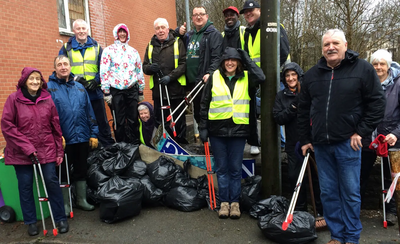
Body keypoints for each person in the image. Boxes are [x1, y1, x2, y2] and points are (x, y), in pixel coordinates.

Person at [298, 29, 385, 244]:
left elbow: (377, 102)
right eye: (326, 44)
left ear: (345, 45)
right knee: (328, 194)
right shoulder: (311, 75)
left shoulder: (362, 69)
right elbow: (302, 109)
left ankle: (352, 237)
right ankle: (337, 236)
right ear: (322, 49)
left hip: (349, 144)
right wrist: (306, 139)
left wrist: (362, 131)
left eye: (335, 43)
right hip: (321, 145)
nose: (331, 47)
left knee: (350, 194)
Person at [1, 67, 69, 235]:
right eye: (31, 79)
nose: (35, 82)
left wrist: (59, 151)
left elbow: (55, 126)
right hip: (21, 152)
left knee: (52, 182)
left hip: (46, 149)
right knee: (25, 186)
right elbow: (8, 127)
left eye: (38, 79)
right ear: (24, 80)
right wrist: (27, 148)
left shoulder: (47, 99)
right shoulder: (13, 99)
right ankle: (31, 221)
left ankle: (60, 218)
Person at [199, 47, 265, 219]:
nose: (230, 63)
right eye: (227, 60)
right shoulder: (214, 77)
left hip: (238, 131)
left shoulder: (246, 78)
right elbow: (204, 103)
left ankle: (234, 203)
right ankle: (224, 203)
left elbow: (262, 77)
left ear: (239, 62)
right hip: (217, 131)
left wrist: (247, 58)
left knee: (235, 169)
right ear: (222, 62)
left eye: (234, 60)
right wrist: (203, 128)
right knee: (222, 169)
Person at [273, 62, 324, 227]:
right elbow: (278, 117)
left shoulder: (309, 93)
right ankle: (300, 211)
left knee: (317, 178)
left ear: (299, 75)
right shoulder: (281, 96)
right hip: (293, 143)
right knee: (295, 178)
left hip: (312, 142)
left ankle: (321, 211)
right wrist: (293, 107)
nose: (290, 78)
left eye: (293, 75)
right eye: (287, 76)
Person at [48, 55, 99, 215]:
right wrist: (56, 136)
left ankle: (81, 200)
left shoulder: (79, 87)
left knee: (81, 169)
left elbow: (89, 112)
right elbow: (47, 116)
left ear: (70, 67)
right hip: (63, 139)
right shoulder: (49, 88)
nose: (63, 67)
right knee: (62, 172)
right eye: (60, 64)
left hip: (82, 136)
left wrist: (94, 133)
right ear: (55, 68)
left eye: (66, 64)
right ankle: (65, 204)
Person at [239, 0, 291, 155]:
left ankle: (281, 144)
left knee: (277, 109)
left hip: (275, 77)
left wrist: (270, 73)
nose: (248, 14)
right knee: (254, 108)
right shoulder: (247, 33)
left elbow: (283, 51)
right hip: (257, 78)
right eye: (246, 12)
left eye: (251, 10)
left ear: (260, 10)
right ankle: (260, 141)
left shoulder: (273, 26)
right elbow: (247, 57)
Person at [59, 19, 114, 148]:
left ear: (87, 30)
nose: (81, 31)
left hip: (95, 92)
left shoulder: (97, 46)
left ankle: (107, 150)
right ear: (74, 31)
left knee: (102, 122)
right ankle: (86, 152)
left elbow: (104, 67)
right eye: (78, 29)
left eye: (84, 28)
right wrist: (77, 79)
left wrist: (96, 80)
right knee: (81, 122)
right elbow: (62, 67)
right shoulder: (67, 48)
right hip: (75, 92)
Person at [360, 49, 400, 226]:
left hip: (390, 138)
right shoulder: (366, 83)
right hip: (368, 138)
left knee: (389, 177)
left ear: (388, 65)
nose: (378, 67)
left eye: (382, 64)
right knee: (360, 175)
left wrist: (396, 134)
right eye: (375, 63)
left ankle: (391, 212)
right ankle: (355, 208)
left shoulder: (398, 84)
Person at [143, 18, 187, 144]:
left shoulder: (177, 42)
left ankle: (180, 144)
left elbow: (183, 64)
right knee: (160, 120)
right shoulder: (151, 45)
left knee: (178, 120)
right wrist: (150, 68)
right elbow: (145, 66)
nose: (160, 30)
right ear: (155, 30)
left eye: (163, 27)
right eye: (157, 28)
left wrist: (170, 77)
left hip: (175, 90)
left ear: (168, 29)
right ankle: (163, 145)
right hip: (158, 91)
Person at [177, 6, 223, 128]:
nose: (198, 17)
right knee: (198, 113)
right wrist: (178, 32)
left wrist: (210, 72)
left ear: (207, 16)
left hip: (206, 81)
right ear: (192, 18)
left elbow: (217, 57)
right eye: (195, 15)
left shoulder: (213, 34)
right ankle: (205, 142)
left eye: (201, 14)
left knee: (207, 113)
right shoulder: (189, 35)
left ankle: (213, 142)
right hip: (193, 82)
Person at [100, 23, 145, 144]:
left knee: (133, 119)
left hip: (132, 89)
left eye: (124, 32)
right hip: (116, 90)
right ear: (116, 34)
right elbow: (104, 71)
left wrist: (141, 89)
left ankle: (135, 146)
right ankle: (121, 146)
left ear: (127, 34)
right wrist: (106, 91)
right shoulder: (108, 51)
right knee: (119, 121)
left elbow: (138, 71)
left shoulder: (133, 52)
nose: (122, 34)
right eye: (120, 32)